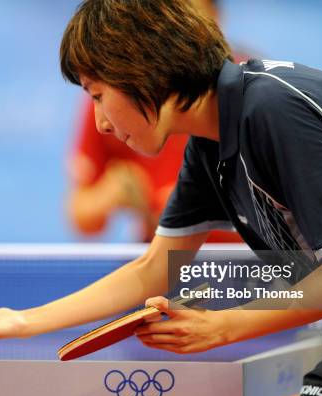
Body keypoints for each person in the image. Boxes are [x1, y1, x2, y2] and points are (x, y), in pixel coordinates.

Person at [0, 1, 322, 396]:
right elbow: (153, 268)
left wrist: (225, 325)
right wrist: (20, 323)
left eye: (98, 95)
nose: (102, 122)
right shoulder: (210, 142)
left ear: (139, 70)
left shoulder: (271, 110)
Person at [66, 0, 246, 243]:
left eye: (186, 12)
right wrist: (110, 194)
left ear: (214, 18)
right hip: (167, 264)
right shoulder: (115, 100)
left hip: (250, 269)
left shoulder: (250, 94)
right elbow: (82, 215)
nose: (176, 24)